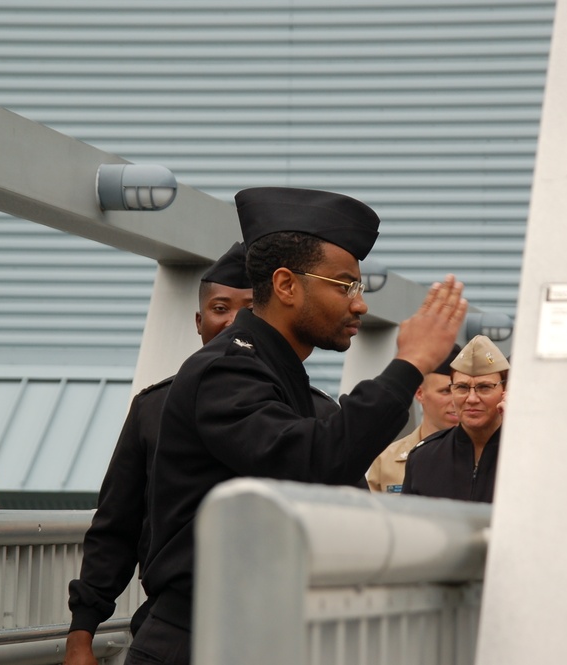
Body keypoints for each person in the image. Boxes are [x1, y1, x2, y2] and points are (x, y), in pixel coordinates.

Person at [128, 187, 467, 665]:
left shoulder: (274, 371)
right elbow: (311, 459)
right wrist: (410, 363)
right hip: (201, 640)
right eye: (344, 285)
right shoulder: (226, 370)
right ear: (286, 285)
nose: (359, 305)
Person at [65, 242, 334, 665]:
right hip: (176, 628)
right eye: (220, 308)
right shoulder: (153, 407)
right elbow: (116, 526)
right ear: (198, 320)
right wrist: (82, 634)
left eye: (246, 310)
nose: (232, 322)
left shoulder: (318, 415)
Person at [401, 334, 509, 503]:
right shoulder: (424, 457)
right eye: (462, 387)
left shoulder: (526, 454)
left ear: (505, 390)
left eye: (485, 387)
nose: (472, 398)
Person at [366, 343, 461, 493]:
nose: (456, 400)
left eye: (461, 390)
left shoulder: (484, 455)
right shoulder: (387, 461)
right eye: (445, 391)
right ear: (419, 394)